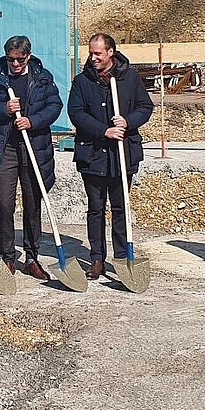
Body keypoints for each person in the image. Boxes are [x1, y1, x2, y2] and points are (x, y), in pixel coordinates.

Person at [0, 35, 63, 280]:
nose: (15, 64)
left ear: (28, 56)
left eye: (19, 60)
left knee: (33, 204)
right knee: (4, 204)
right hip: (5, 149)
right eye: (11, 59)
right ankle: (8, 257)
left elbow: (55, 107)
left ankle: (32, 257)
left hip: (34, 147)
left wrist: (32, 121)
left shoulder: (42, 78)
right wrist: (3, 110)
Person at [67, 33, 154, 280]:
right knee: (96, 208)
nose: (93, 58)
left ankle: (123, 256)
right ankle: (97, 259)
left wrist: (127, 121)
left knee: (120, 207)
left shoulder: (130, 77)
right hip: (93, 155)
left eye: (98, 53)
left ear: (111, 52)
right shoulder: (82, 81)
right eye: (90, 53)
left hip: (122, 154)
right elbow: (76, 113)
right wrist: (103, 130)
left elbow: (145, 107)